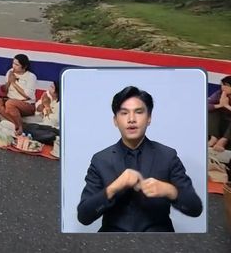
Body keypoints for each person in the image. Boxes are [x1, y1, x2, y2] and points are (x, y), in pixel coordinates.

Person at [77, 86, 203, 232]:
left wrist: (170, 191)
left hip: (158, 239)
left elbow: (195, 209)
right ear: (115, 120)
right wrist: (114, 187)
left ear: (149, 118)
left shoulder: (168, 156)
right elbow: (84, 216)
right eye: (124, 113)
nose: (131, 119)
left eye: (139, 112)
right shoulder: (100, 160)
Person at [0, 54, 37, 135]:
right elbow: (5, 91)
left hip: (26, 103)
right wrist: (9, 82)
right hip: (9, 100)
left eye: (17, 65)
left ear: (24, 66)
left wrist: (14, 83)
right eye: (13, 63)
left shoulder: (31, 76)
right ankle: (15, 125)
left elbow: (27, 95)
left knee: (10, 103)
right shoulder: (10, 72)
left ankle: (20, 127)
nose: (13, 66)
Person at [207, 76, 231, 152]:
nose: (223, 87)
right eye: (222, 84)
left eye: (226, 85)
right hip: (222, 120)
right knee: (212, 111)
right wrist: (219, 105)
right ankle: (214, 138)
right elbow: (205, 105)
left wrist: (226, 105)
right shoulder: (219, 93)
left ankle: (223, 141)